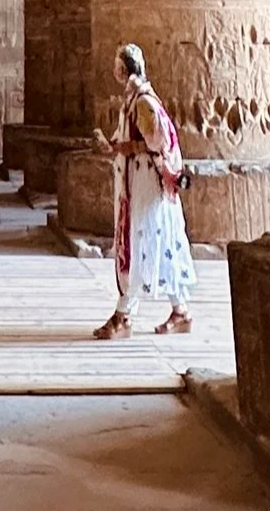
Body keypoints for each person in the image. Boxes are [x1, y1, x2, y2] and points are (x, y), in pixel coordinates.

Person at [93, 43, 195, 339]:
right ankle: (181, 310)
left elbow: (157, 142)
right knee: (155, 238)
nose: (113, 69)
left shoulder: (142, 102)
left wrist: (125, 148)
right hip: (136, 180)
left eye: (116, 65)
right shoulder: (133, 100)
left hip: (145, 183)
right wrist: (112, 146)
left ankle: (124, 315)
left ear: (123, 69)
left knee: (139, 239)